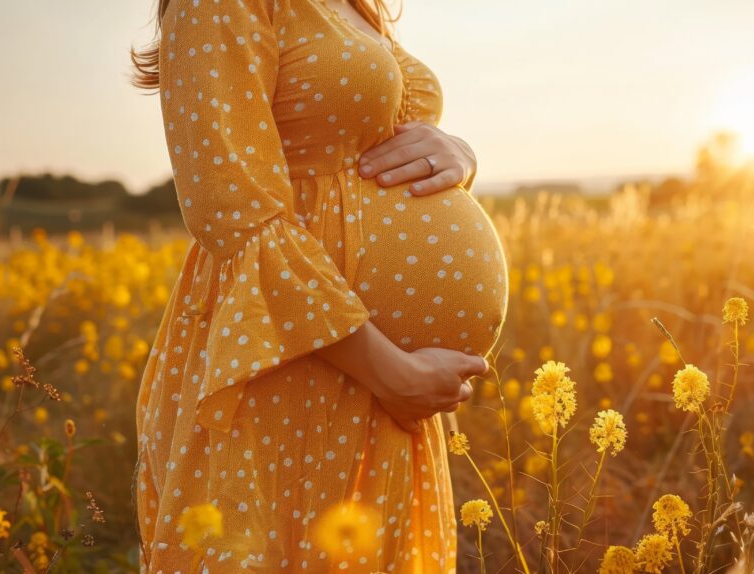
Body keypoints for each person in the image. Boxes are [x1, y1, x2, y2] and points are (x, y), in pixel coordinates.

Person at [130, 0, 510, 571]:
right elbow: (231, 209)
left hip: (376, 388)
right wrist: (390, 371)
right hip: (293, 359)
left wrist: (460, 153)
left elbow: (381, 139)